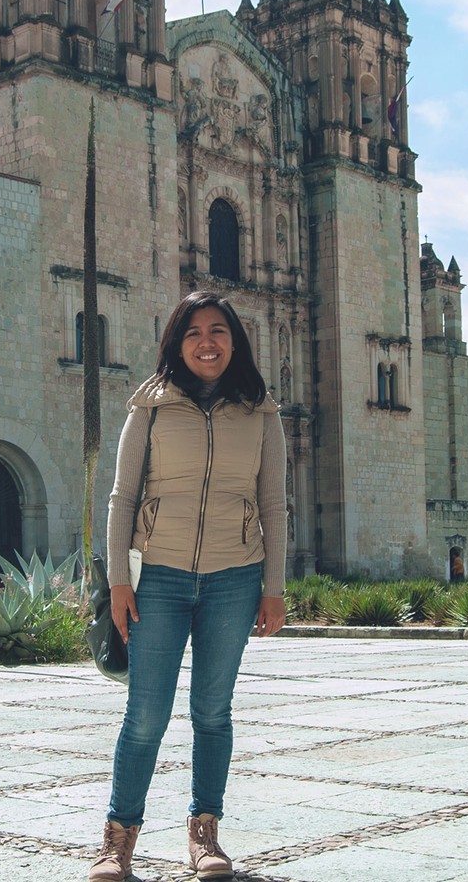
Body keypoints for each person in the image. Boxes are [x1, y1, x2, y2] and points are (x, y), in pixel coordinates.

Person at [89, 291, 287, 882]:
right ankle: (117, 840)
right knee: (145, 713)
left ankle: (205, 835)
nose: (207, 341)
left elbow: (274, 502)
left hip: (235, 576)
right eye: (194, 331)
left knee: (213, 712)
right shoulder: (148, 406)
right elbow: (122, 498)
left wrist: (272, 586)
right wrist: (119, 583)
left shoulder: (261, 411)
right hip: (159, 578)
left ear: (235, 340)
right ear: (177, 342)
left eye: (219, 330)